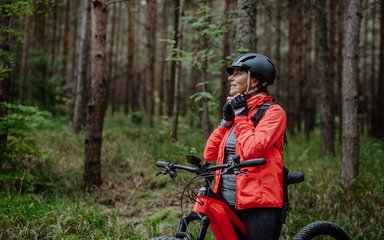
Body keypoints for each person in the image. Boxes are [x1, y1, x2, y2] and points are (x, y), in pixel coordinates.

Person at [204, 53, 287, 240]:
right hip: (227, 201)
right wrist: (226, 122)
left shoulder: (273, 113)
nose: (230, 78)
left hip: (259, 204)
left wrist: (241, 116)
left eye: (238, 73)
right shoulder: (237, 113)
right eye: (231, 73)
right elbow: (209, 153)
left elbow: (251, 151)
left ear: (255, 81)